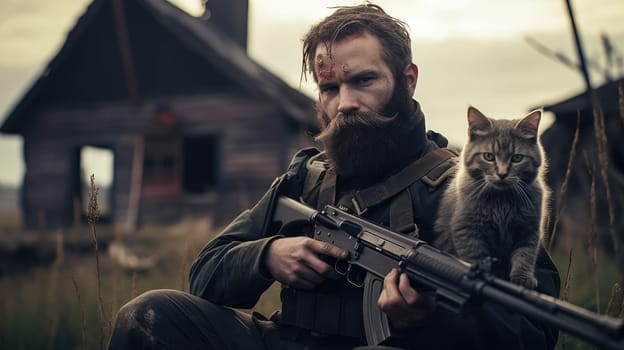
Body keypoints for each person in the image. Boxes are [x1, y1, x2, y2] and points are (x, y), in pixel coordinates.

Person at [107, 4, 561, 350]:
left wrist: (432, 320)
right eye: (329, 87)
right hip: (285, 339)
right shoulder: (306, 175)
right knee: (147, 316)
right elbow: (203, 274)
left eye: (363, 81)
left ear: (408, 81)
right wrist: (267, 254)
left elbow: (536, 330)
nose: (344, 103)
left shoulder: (463, 187)